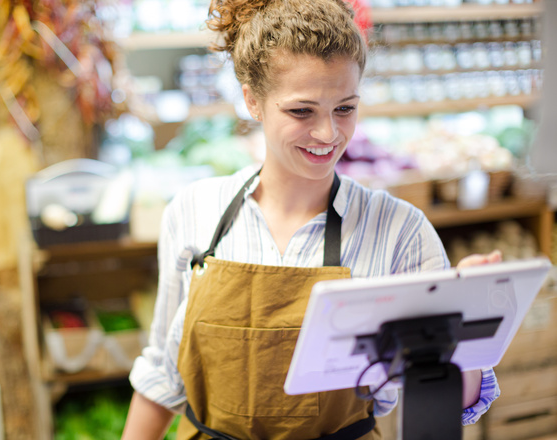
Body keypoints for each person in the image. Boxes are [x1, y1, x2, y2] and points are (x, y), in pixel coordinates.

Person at [123, 0, 501, 438]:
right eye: (302, 111)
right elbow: (162, 375)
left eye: (345, 108)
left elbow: (449, 401)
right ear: (252, 100)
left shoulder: (401, 232)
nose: (328, 134)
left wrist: (465, 323)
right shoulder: (194, 211)